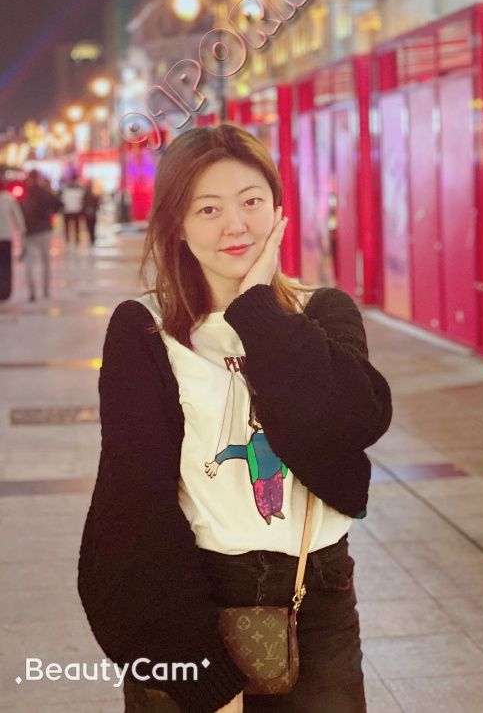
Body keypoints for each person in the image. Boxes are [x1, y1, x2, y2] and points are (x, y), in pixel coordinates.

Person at [77, 124, 392, 713]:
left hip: (316, 596)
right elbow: (134, 504)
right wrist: (198, 670)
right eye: (208, 209)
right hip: (190, 595)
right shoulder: (146, 330)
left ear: (278, 209)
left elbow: (348, 425)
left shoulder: (323, 313)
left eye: (251, 202)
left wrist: (255, 306)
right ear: (177, 225)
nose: (236, 225)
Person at [20, 170, 62, 301]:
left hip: (30, 232)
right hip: (44, 231)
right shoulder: (45, 192)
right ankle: (46, 290)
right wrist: (49, 214)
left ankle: (32, 292)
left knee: (30, 263)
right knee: (46, 262)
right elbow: (59, 204)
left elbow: (20, 210)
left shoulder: (25, 193)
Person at [0, 177, 26, 301]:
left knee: (5, 266)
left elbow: (18, 218)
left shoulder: (9, 198)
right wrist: (22, 232)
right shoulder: (9, 198)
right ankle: (5, 291)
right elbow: (19, 218)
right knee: (6, 266)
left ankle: (4, 291)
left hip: (5, 237)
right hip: (6, 237)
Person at [61, 177, 85, 245]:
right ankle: (71, 239)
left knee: (73, 226)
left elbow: (63, 201)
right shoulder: (79, 191)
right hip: (72, 210)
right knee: (72, 226)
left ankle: (71, 239)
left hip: (72, 210)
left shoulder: (66, 191)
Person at [82, 180, 101, 246]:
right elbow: (97, 203)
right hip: (92, 213)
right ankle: (92, 238)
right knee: (92, 226)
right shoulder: (93, 193)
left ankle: (91, 238)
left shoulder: (85, 193)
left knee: (89, 226)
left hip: (88, 212)